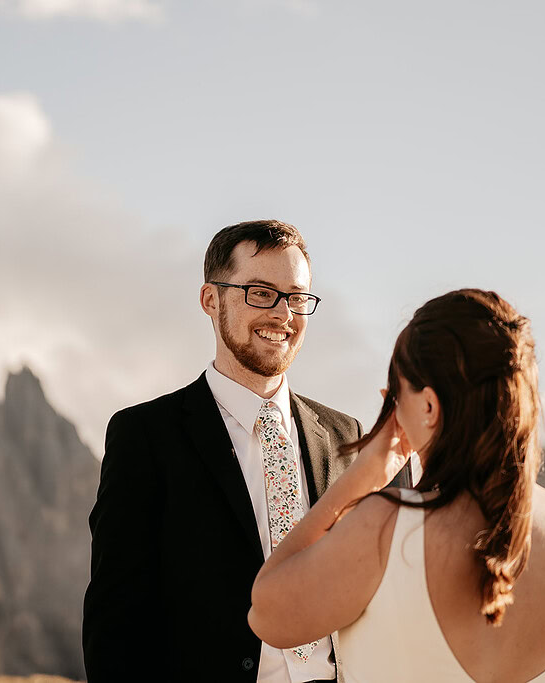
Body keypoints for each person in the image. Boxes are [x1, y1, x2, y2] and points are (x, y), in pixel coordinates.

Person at [82, 220, 412, 683]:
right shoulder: (145, 435)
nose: (283, 313)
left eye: (297, 296)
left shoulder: (347, 436)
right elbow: (114, 622)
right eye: (260, 292)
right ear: (210, 299)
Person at [248, 289, 545, 683]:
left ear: (428, 406)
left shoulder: (390, 527)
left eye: (395, 393)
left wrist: (362, 476)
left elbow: (266, 610)